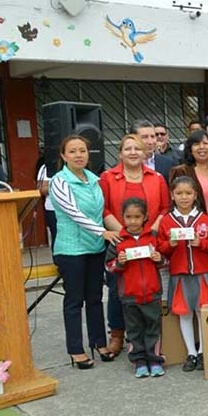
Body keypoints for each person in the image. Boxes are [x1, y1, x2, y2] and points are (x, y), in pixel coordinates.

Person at [49, 135, 118, 369]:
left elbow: (100, 211)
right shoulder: (59, 181)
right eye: (72, 151)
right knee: (74, 300)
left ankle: (99, 343)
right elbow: (74, 213)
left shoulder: (94, 179)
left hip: (95, 248)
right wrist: (102, 232)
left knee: (95, 298)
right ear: (63, 155)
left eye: (82, 151)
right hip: (71, 250)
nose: (78, 155)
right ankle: (76, 349)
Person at [99, 134, 170, 357]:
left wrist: (152, 232)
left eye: (137, 148)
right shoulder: (108, 177)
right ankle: (117, 335)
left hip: (149, 238)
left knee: (148, 287)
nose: (133, 152)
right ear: (120, 153)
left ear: (145, 152)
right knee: (117, 289)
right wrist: (124, 234)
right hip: (120, 238)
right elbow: (103, 208)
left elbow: (165, 208)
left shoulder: (156, 177)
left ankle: (149, 342)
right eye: (128, 148)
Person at [157, 176, 208, 372]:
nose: (183, 197)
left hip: (201, 272)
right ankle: (191, 353)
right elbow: (160, 248)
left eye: (188, 193)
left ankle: (202, 351)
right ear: (172, 195)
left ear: (195, 195)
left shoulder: (203, 219)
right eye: (179, 193)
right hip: (180, 274)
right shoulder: (167, 221)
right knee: (184, 313)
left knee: (202, 312)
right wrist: (170, 244)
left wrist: (201, 243)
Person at [105, 197, 166, 378]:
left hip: (152, 293)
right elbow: (109, 266)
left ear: (145, 217)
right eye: (128, 217)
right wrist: (119, 262)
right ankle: (139, 362)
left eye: (137, 217)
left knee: (153, 328)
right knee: (134, 330)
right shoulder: (118, 240)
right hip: (129, 295)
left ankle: (154, 360)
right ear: (122, 217)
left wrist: (159, 259)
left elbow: (166, 261)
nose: (133, 221)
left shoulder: (153, 237)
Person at [169, 130, 208, 218]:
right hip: (194, 222)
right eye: (196, 144)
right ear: (190, 149)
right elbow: (173, 201)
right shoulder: (181, 171)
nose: (201, 147)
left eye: (205, 143)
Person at [37, 162, 57, 250]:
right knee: (57, 238)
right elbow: (42, 189)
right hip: (53, 209)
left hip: (80, 208)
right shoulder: (46, 167)